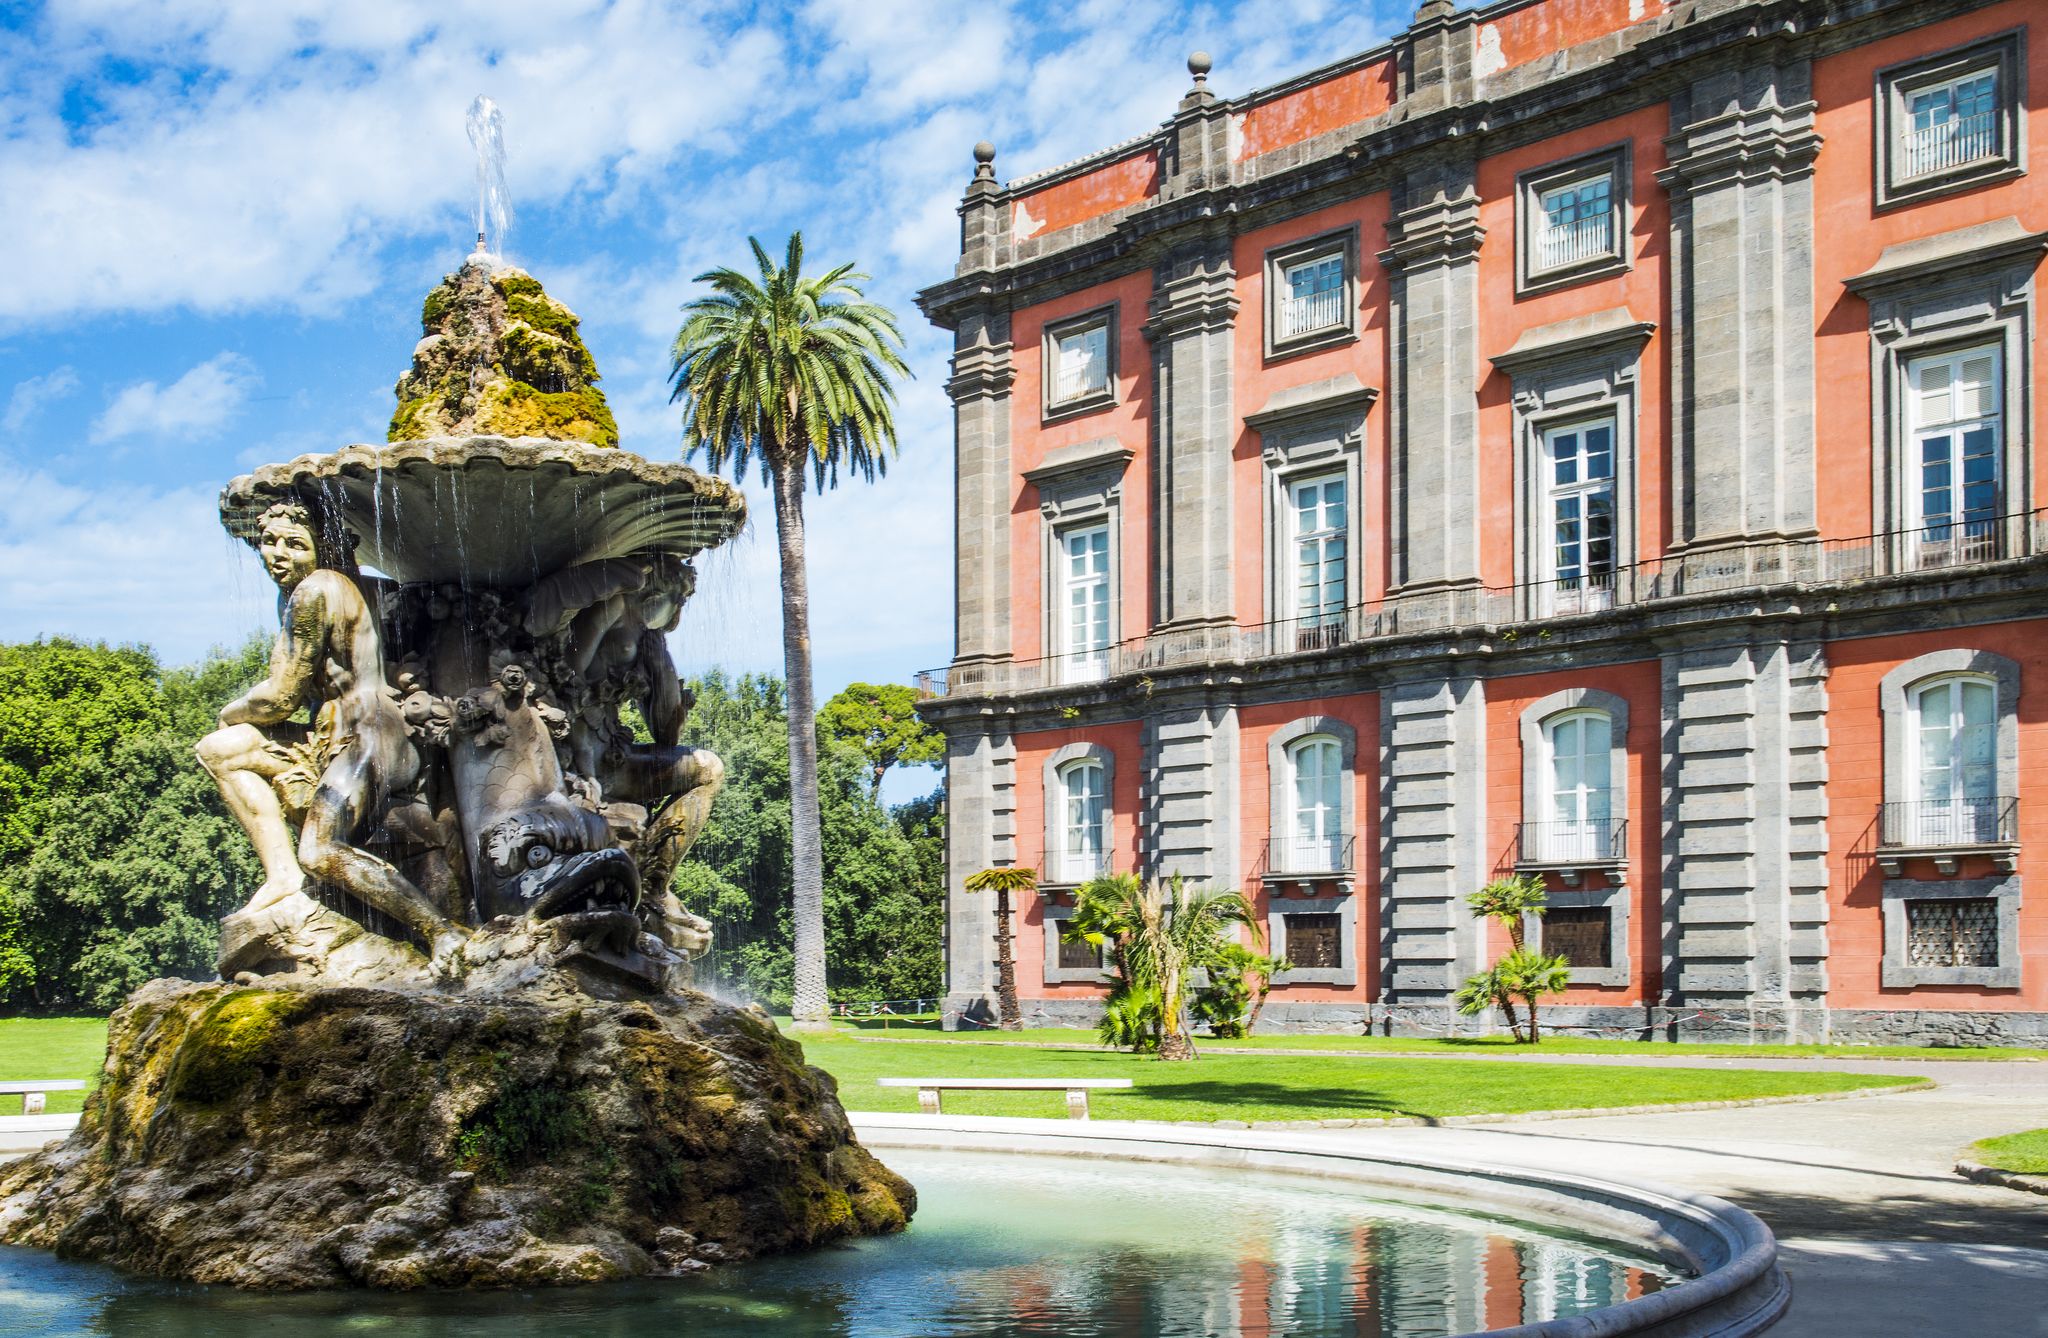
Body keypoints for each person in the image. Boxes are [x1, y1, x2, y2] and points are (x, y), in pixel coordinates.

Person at [197, 501, 468, 964]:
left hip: (372, 734)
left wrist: (230, 712)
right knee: (220, 750)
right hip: (330, 731)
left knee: (319, 848)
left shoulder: (316, 590)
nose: (277, 554)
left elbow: (280, 696)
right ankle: (282, 877)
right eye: (269, 542)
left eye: (295, 544)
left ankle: (441, 933)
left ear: (321, 549)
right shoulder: (304, 593)